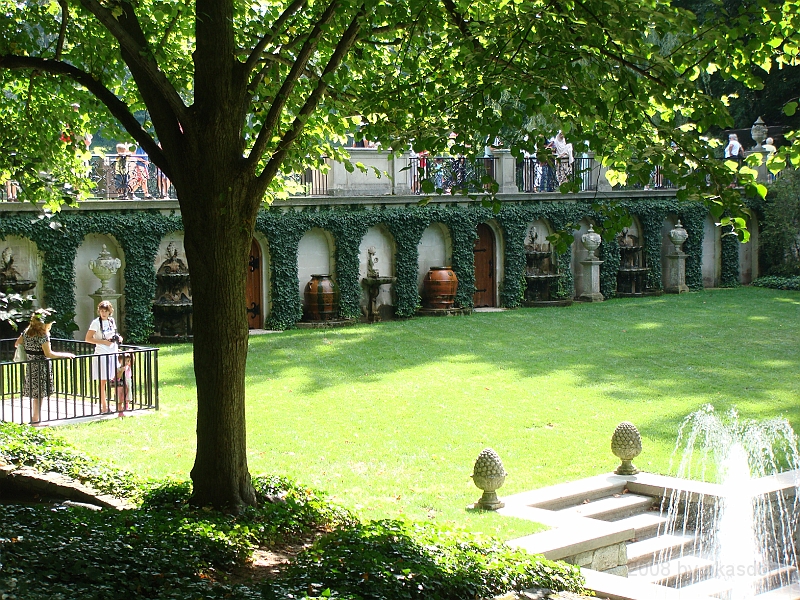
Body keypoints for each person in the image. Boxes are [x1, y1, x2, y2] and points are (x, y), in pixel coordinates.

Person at [15, 308, 75, 424]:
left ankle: (35, 417)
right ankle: (35, 418)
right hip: (41, 366)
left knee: (35, 393)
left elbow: (17, 343)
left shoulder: (26, 332)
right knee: (40, 394)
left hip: (31, 364)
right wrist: (65, 354)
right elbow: (49, 353)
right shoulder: (43, 336)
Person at [85, 301, 123, 413]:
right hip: (102, 353)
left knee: (114, 378)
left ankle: (117, 404)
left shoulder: (111, 321)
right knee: (103, 381)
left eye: (105, 311)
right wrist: (103, 342)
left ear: (110, 311)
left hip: (112, 352)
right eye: (101, 311)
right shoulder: (96, 323)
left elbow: (113, 334)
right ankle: (104, 406)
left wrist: (118, 338)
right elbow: (88, 338)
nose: (103, 313)